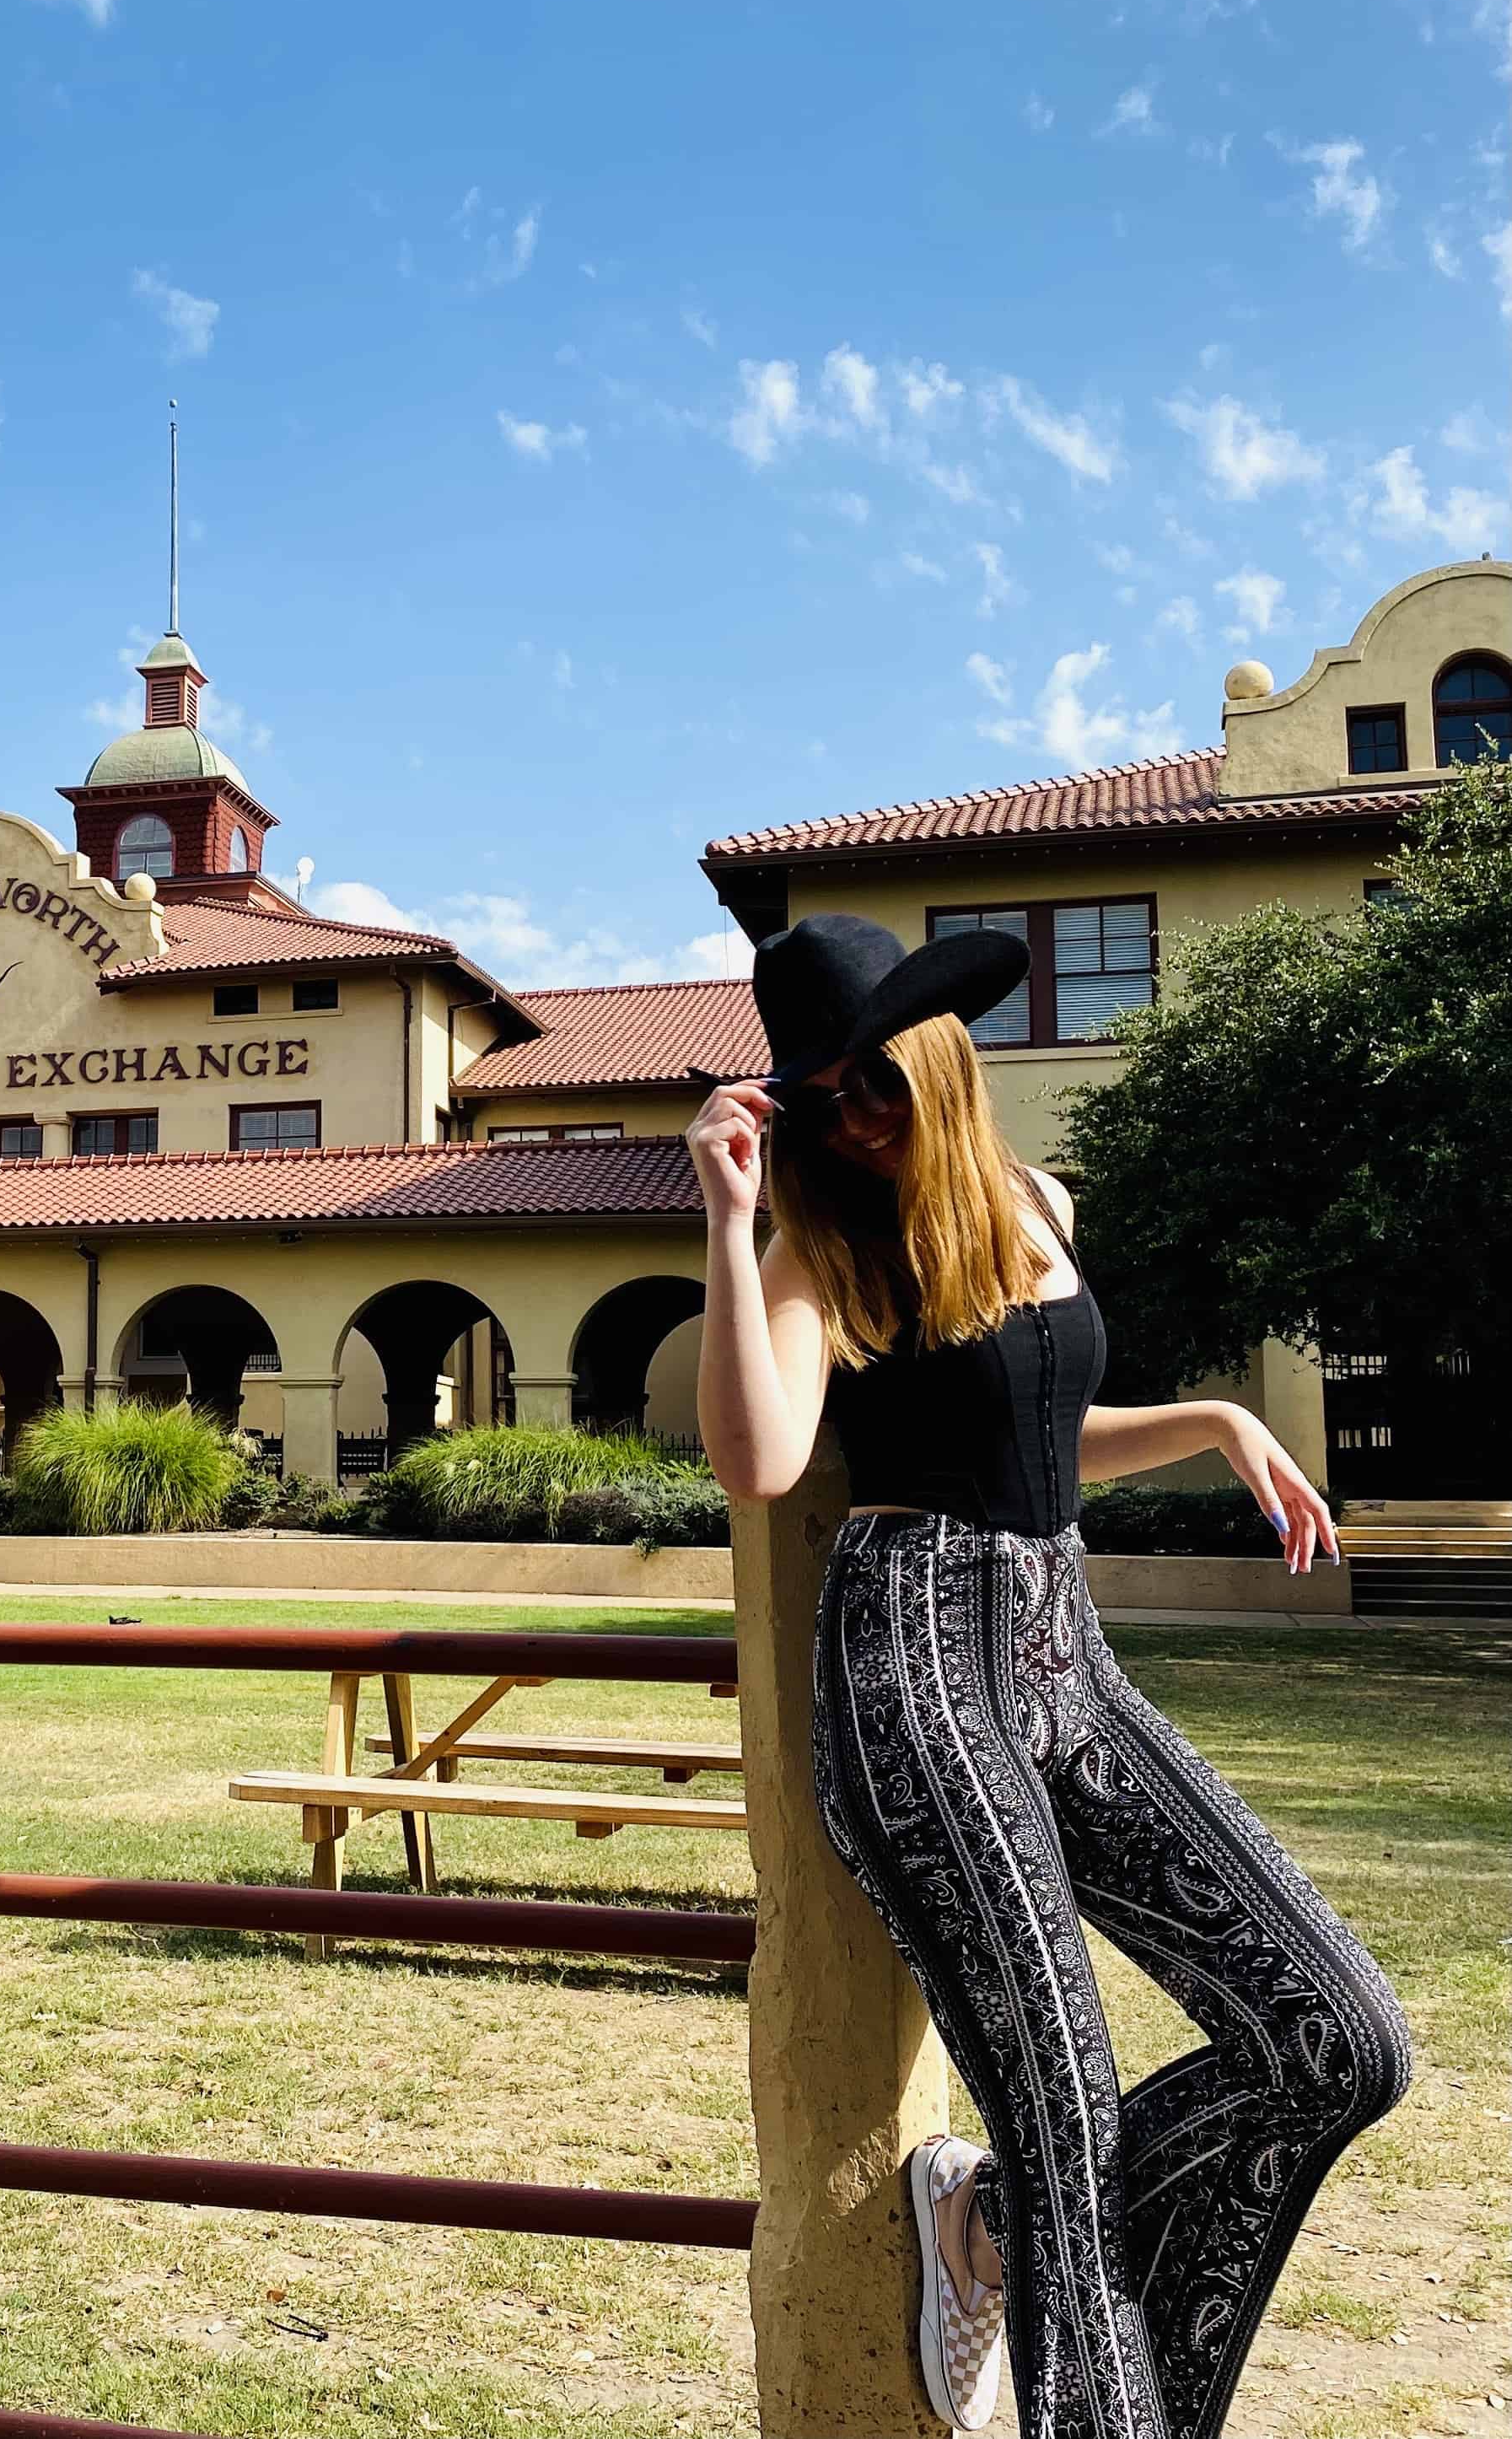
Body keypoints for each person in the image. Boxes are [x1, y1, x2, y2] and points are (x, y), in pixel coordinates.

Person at [689, 913, 1411, 2439]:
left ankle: (991, 2221)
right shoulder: (816, 1239)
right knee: (1074, 2121)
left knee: (1340, 2040)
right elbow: (761, 1459)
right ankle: (1047, 2243)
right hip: (915, 1681)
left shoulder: (1034, 1203)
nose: (854, 1120)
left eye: (874, 1083)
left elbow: (1027, 1434)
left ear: (940, 1056)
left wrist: (1218, 1420)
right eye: (819, 1101)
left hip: (1064, 1657)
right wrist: (727, 1216)